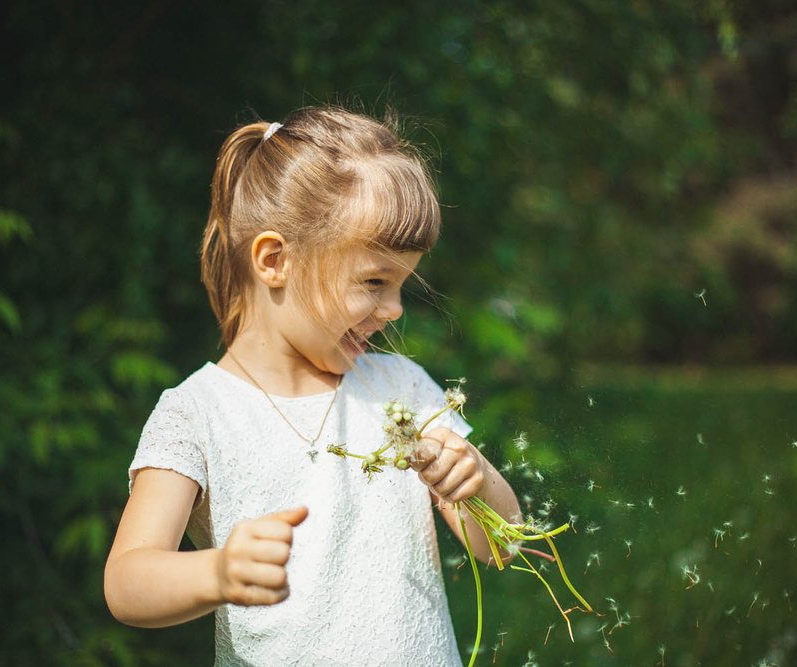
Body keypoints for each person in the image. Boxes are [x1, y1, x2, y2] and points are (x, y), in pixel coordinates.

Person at [103, 106, 522, 666]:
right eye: (374, 282)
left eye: (401, 285)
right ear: (275, 260)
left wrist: (477, 483)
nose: (395, 310)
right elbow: (127, 583)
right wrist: (219, 571)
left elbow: (501, 545)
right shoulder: (197, 413)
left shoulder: (401, 391)